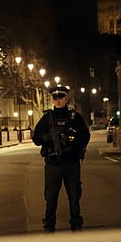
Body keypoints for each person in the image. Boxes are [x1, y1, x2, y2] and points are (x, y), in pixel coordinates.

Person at [32, 86, 91, 233]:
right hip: (53, 164)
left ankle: (76, 223)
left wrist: (73, 147)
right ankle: (49, 223)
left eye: (61, 98)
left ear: (66, 99)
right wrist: (46, 138)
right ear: (52, 100)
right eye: (55, 98)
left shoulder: (74, 117)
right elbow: (36, 138)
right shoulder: (47, 118)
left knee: (74, 196)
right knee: (51, 197)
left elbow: (85, 136)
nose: (58, 101)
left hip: (71, 162)